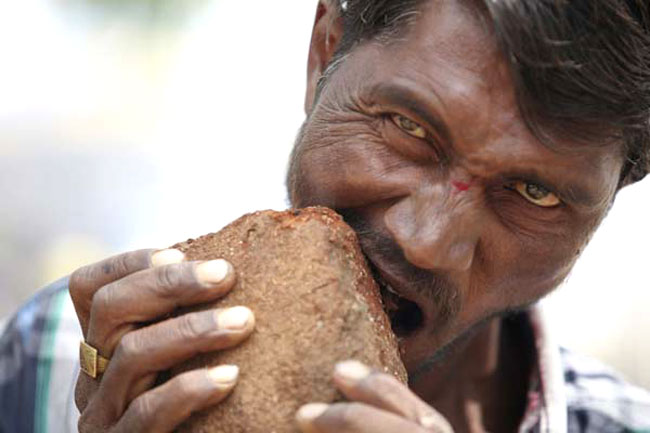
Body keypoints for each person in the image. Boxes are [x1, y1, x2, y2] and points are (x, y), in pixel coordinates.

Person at [2, 0, 650, 432]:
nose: (425, 243)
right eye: (407, 126)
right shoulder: (61, 353)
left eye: (535, 193)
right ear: (324, 52)